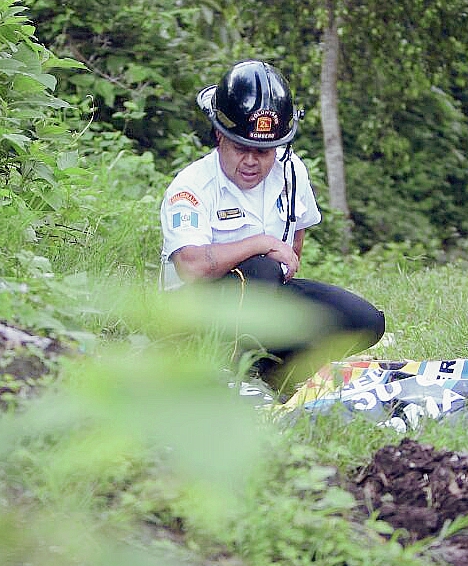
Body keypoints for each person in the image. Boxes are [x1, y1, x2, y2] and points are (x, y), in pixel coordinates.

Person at [159, 59, 386, 391]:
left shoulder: (291, 171)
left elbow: (294, 246)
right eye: (241, 149)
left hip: (262, 301)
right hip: (194, 319)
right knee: (261, 269)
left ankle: (274, 379)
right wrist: (259, 244)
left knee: (364, 321)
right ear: (219, 137)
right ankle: (221, 380)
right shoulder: (191, 187)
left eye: (263, 152)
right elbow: (191, 267)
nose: (251, 161)